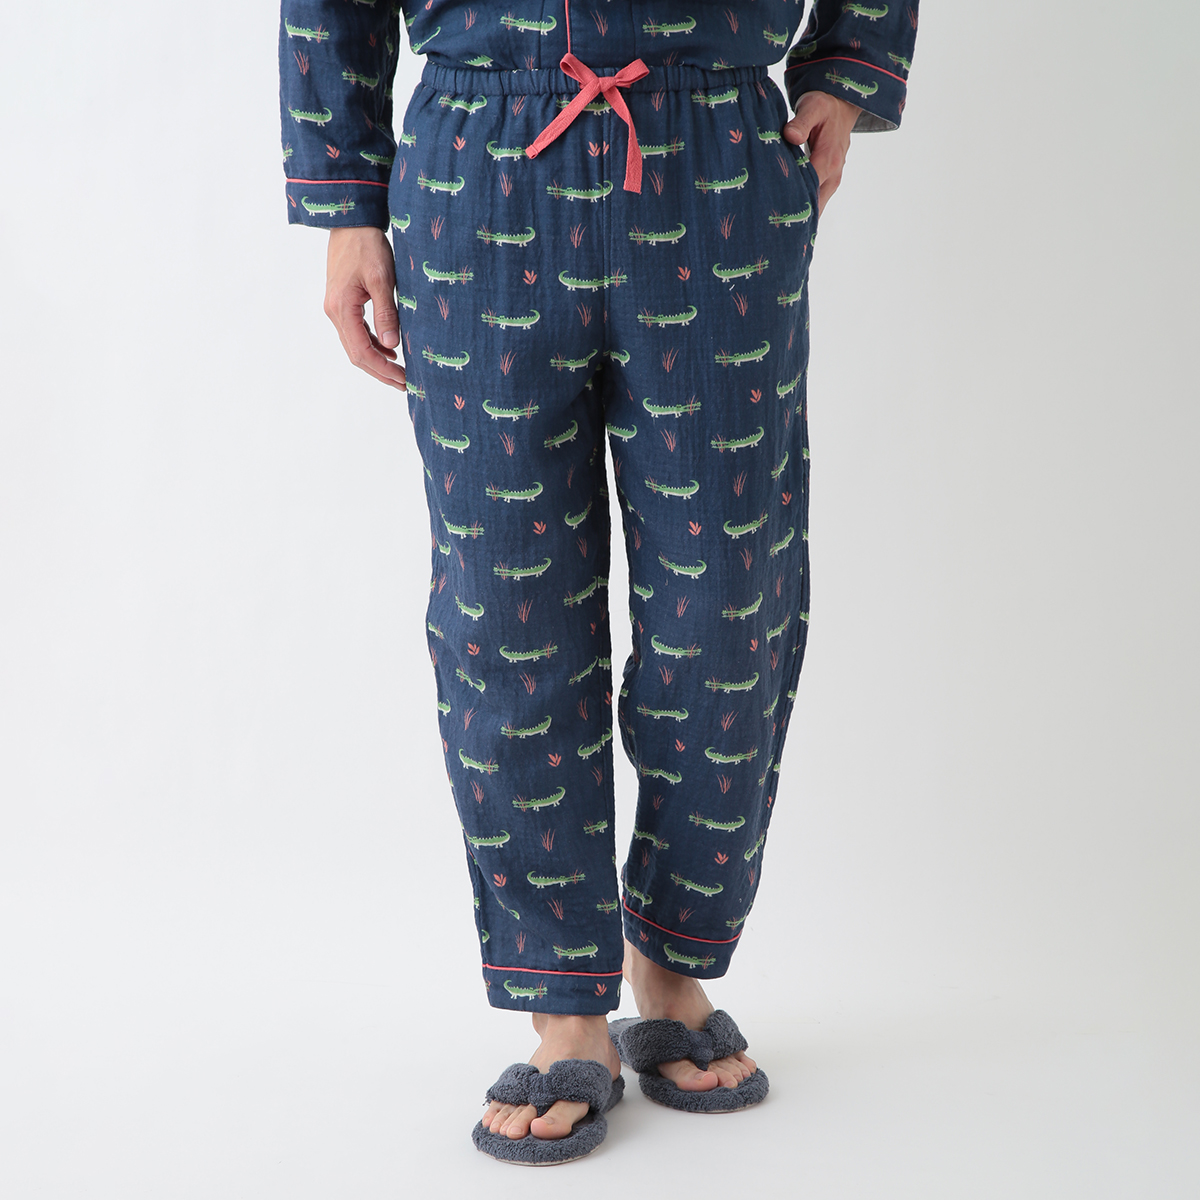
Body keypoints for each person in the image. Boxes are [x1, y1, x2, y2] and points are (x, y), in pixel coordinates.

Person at [279, 0, 918, 1165]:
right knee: (502, 607)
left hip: (715, 154)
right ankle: (560, 1002)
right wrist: (343, 197)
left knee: (729, 602)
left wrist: (851, 62)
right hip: (478, 164)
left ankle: (671, 958)